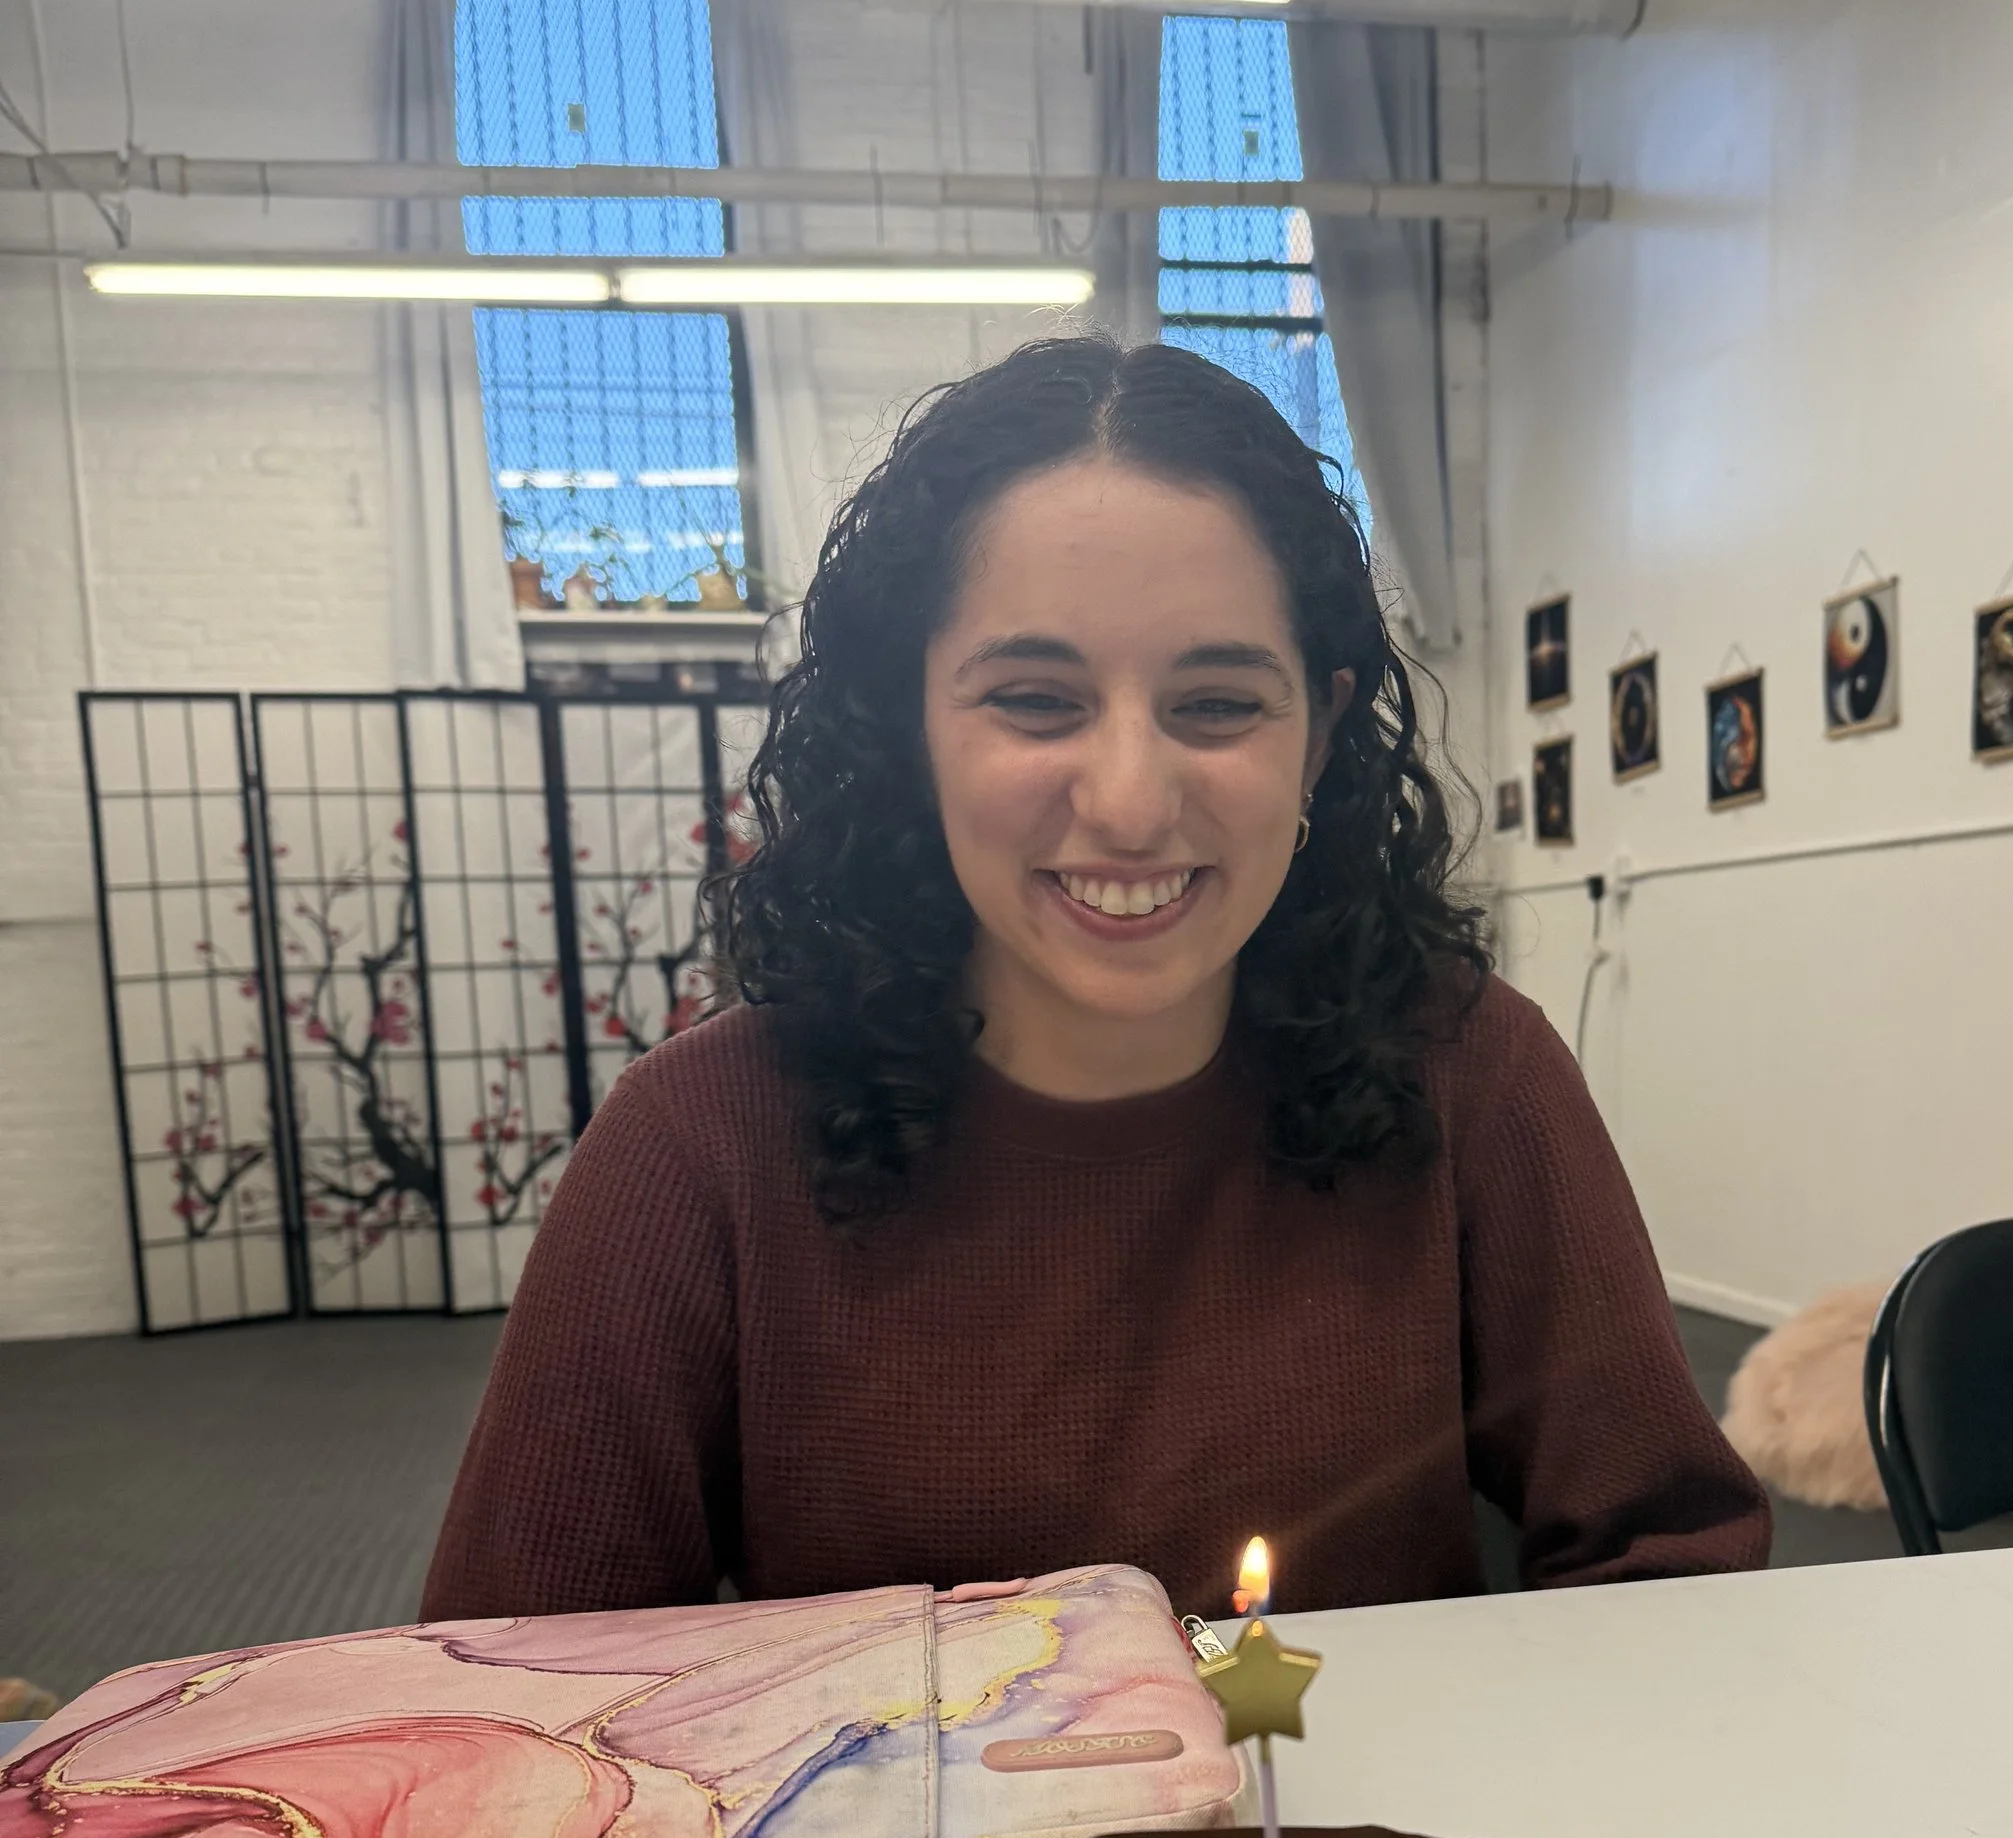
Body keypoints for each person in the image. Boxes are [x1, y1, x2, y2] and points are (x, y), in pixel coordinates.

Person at [423, 340, 1766, 1623]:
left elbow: (1674, 1567)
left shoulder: (1473, 1074)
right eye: (1035, 699)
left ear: (1322, 731)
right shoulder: (698, 1145)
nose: (1130, 802)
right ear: (911, 729)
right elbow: (512, 1687)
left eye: (1219, 705)